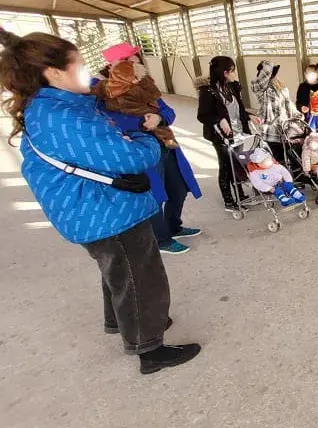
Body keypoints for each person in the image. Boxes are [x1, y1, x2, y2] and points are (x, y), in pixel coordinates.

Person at [0, 29, 200, 374]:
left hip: (93, 211)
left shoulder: (54, 106)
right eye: (78, 62)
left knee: (117, 271)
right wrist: (147, 136)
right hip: (106, 212)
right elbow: (130, 157)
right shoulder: (62, 117)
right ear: (54, 72)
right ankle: (149, 349)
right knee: (141, 276)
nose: (87, 70)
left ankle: (122, 323)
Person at [95, 43, 202, 255]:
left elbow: (169, 111)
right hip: (140, 150)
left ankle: (174, 226)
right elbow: (108, 121)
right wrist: (140, 124)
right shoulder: (103, 91)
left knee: (178, 187)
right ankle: (160, 238)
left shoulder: (146, 84)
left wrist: (159, 118)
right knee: (154, 194)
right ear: (111, 65)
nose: (135, 61)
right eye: (128, 58)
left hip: (165, 143)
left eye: (135, 56)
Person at [196, 56, 261, 212]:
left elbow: (237, 110)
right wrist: (220, 120)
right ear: (225, 72)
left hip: (238, 133)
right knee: (226, 166)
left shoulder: (232, 87)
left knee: (238, 164)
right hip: (221, 136)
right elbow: (202, 115)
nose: (234, 74)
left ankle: (240, 195)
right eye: (233, 71)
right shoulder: (208, 91)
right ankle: (229, 201)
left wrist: (249, 116)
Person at [251, 60, 296, 162]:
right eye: (273, 73)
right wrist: (267, 66)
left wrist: (297, 115)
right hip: (271, 131)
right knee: (277, 159)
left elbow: (289, 104)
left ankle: (290, 176)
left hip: (286, 128)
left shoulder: (283, 88)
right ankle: (279, 177)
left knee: (292, 157)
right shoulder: (262, 90)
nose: (275, 75)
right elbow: (259, 83)